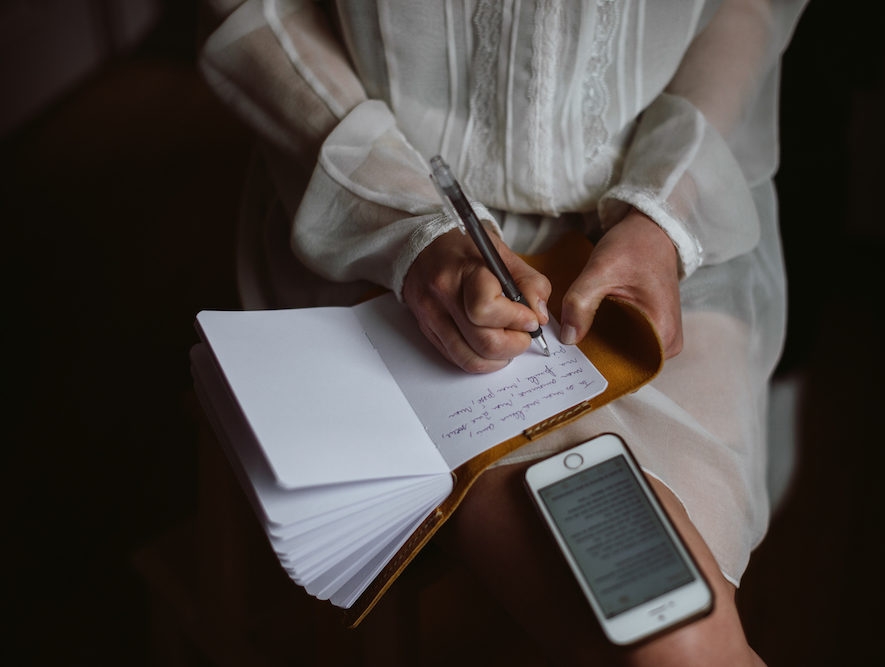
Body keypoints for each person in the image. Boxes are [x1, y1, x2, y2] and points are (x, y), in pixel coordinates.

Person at [199, 1, 807, 663]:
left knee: (678, 637)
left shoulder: (667, 215)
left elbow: (748, 11)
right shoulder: (397, 218)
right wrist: (410, 221)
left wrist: (663, 211)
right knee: (670, 645)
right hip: (374, 217)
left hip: (660, 236)